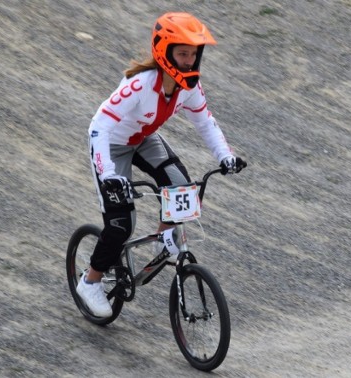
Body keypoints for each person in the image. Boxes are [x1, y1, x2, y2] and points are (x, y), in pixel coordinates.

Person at [77, 12, 246, 317]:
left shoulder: (189, 87)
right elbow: (98, 127)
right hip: (112, 145)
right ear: (165, 52)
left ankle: (162, 239)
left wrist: (225, 156)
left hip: (142, 139)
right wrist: (109, 175)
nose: (189, 61)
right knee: (121, 225)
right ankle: (90, 281)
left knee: (182, 186)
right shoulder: (140, 85)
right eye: (183, 53)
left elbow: (206, 122)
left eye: (194, 54)